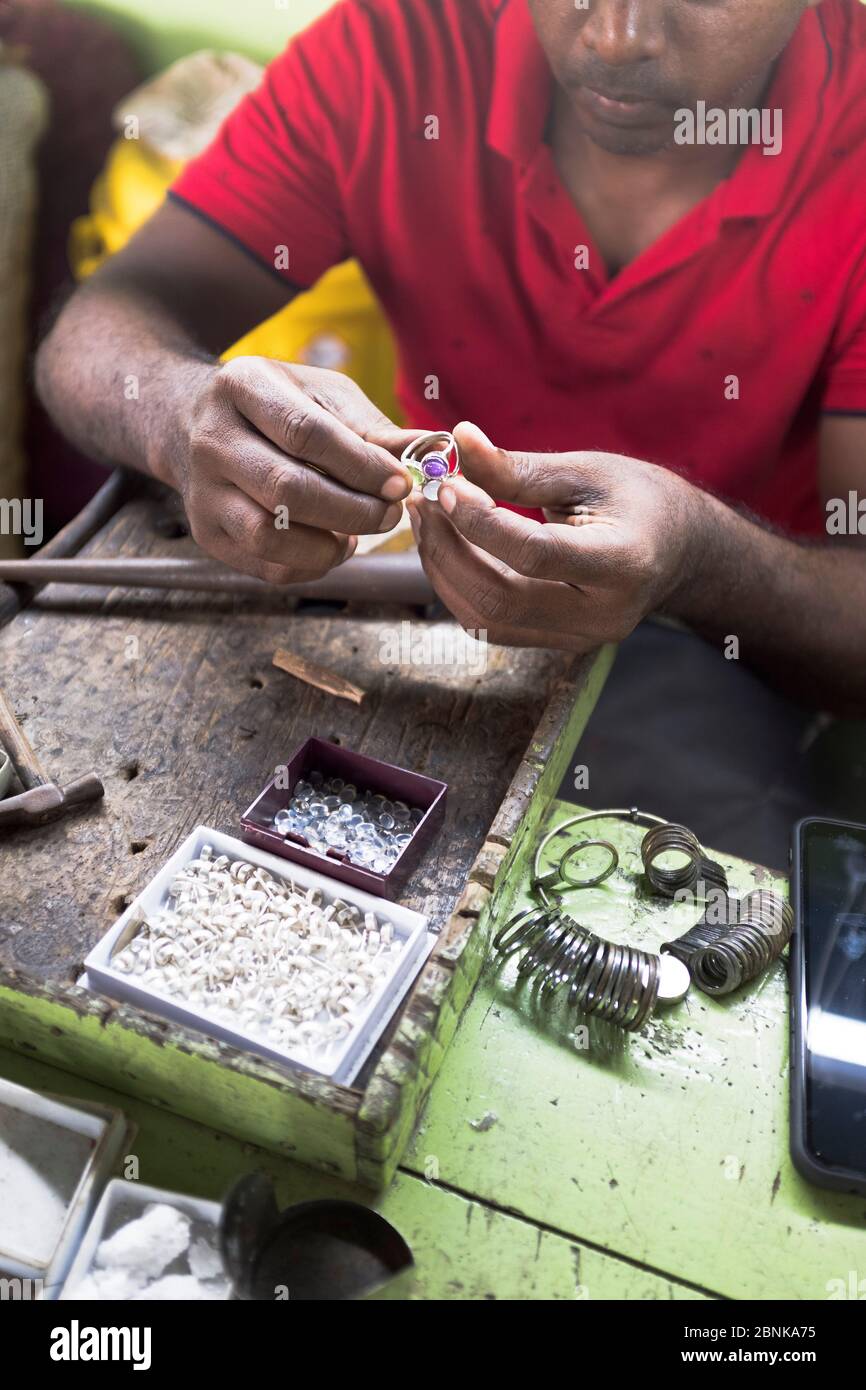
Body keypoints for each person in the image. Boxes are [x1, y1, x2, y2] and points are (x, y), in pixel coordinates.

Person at [36, 0, 866, 866]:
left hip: (722, 653)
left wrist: (694, 560)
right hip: (417, 620)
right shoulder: (394, 51)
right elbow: (98, 331)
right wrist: (181, 414)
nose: (616, 38)